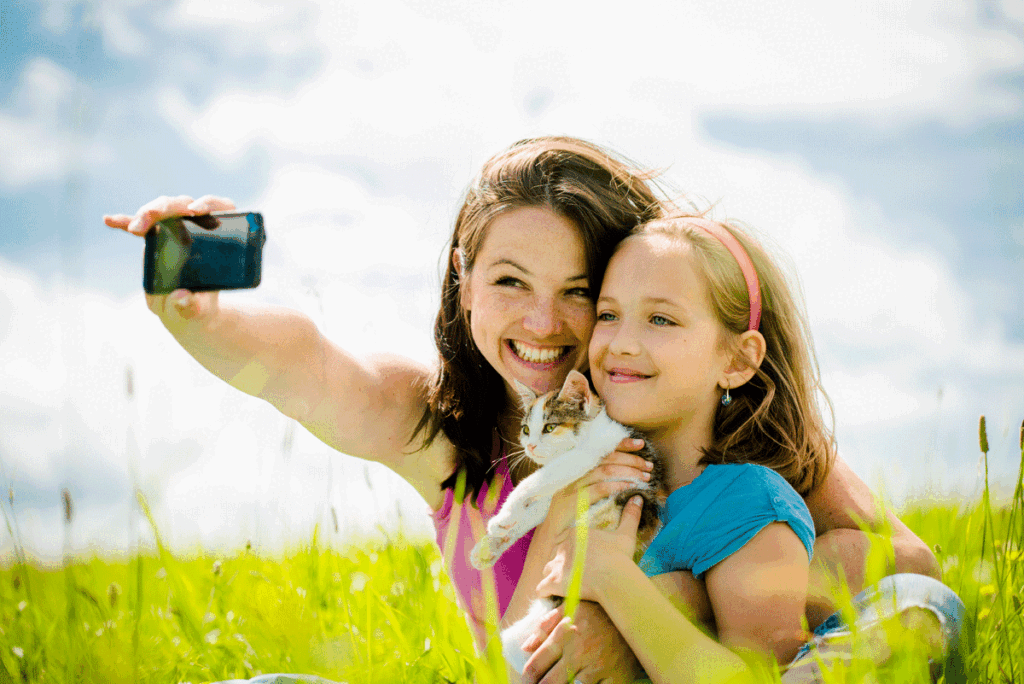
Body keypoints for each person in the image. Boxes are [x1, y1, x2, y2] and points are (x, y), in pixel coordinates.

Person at [105, 137, 940, 684]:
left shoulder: (713, 421)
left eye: (582, 294)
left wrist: (664, 601)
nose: (545, 326)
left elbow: (904, 560)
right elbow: (309, 364)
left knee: (925, 616)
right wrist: (198, 310)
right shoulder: (438, 420)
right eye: (510, 282)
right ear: (463, 278)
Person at [522, 214, 964, 684]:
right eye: (608, 315)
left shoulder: (745, 496)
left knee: (923, 603)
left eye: (660, 319)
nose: (622, 342)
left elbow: (758, 668)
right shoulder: (585, 488)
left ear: (736, 360)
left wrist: (637, 594)